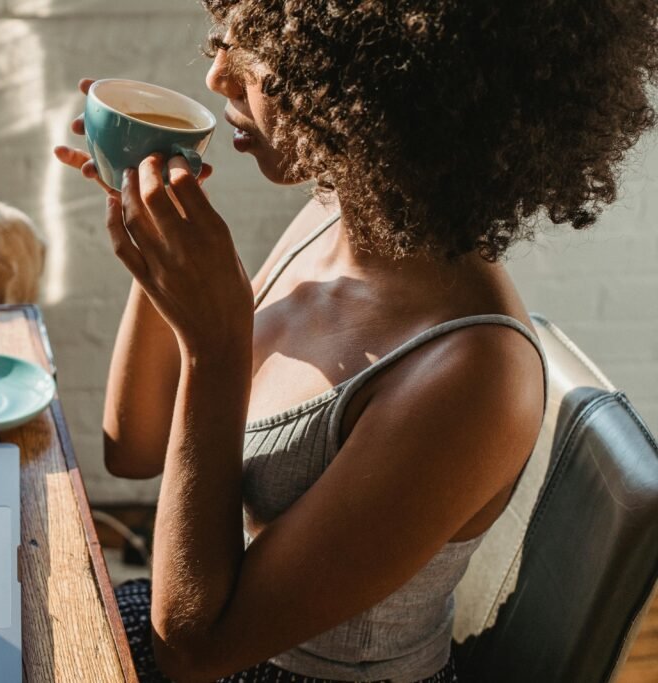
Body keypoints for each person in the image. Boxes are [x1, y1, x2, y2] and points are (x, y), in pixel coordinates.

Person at [54, 2, 658, 681]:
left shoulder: (473, 373)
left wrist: (214, 348)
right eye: (227, 37)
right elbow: (132, 448)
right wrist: (160, 246)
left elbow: (194, 647)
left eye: (264, 51)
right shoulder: (329, 213)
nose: (220, 75)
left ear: (380, 82)